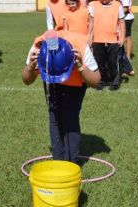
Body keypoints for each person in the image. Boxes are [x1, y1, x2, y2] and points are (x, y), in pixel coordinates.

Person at [22, 30, 101, 163]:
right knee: (54, 116)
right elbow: (26, 80)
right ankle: (59, 159)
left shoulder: (80, 45)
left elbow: (96, 80)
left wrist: (81, 67)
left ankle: (71, 162)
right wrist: (31, 67)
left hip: (76, 83)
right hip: (50, 81)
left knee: (70, 116)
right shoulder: (39, 47)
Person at [87, 0, 125, 91]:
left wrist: (122, 37)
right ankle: (101, 81)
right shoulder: (94, 5)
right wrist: (89, 35)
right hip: (97, 39)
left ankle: (114, 82)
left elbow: (122, 22)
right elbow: (91, 21)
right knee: (99, 63)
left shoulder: (117, 5)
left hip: (113, 40)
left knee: (112, 62)